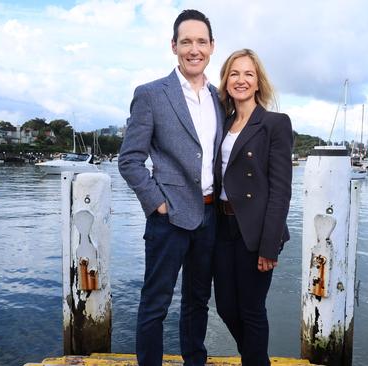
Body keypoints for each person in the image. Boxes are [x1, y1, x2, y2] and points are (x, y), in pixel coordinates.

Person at [118, 9, 224, 366]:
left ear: (211, 46)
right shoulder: (150, 94)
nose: (194, 49)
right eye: (186, 41)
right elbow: (129, 159)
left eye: (201, 41)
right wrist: (158, 204)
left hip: (210, 217)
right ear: (173, 46)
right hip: (168, 220)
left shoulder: (219, 98)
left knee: (197, 302)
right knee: (155, 302)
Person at [213, 49, 293, 365]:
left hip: (256, 230)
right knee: (225, 308)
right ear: (226, 80)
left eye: (248, 74)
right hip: (221, 226)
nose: (241, 80)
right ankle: (257, 359)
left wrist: (269, 247)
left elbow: (280, 191)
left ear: (258, 82)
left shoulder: (274, 123)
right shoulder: (223, 122)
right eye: (234, 73)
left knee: (251, 310)